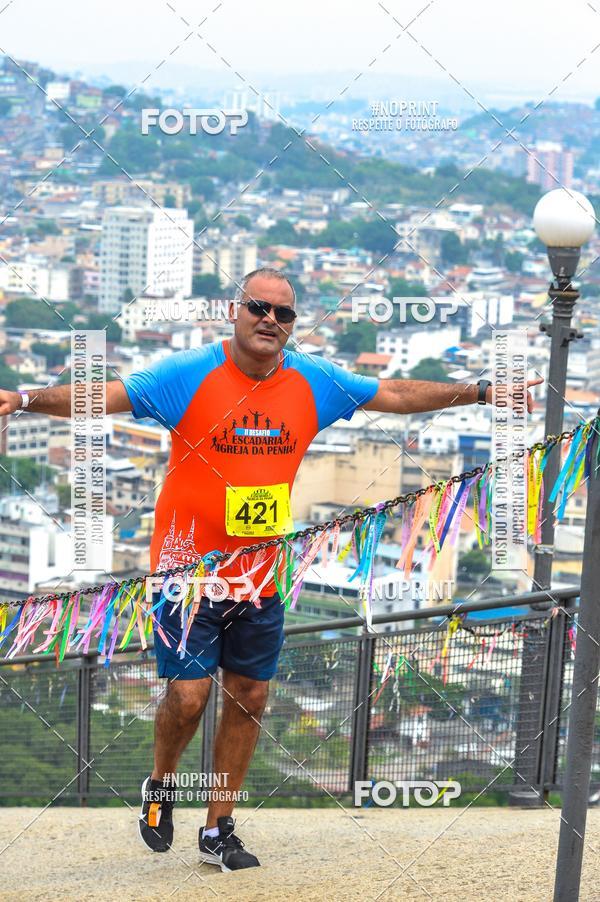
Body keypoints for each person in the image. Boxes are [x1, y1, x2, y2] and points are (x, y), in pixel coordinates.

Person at [0, 267, 541, 872]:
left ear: (292, 325)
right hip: (187, 568)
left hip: (261, 570)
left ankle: (218, 827)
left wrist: (483, 392)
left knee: (251, 694)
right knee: (188, 696)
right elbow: (106, 396)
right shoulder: (188, 374)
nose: (270, 321)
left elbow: (393, 395)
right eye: (260, 307)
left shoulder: (314, 381)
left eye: (284, 314)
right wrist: (25, 400)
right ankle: (160, 783)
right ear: (235, 310)